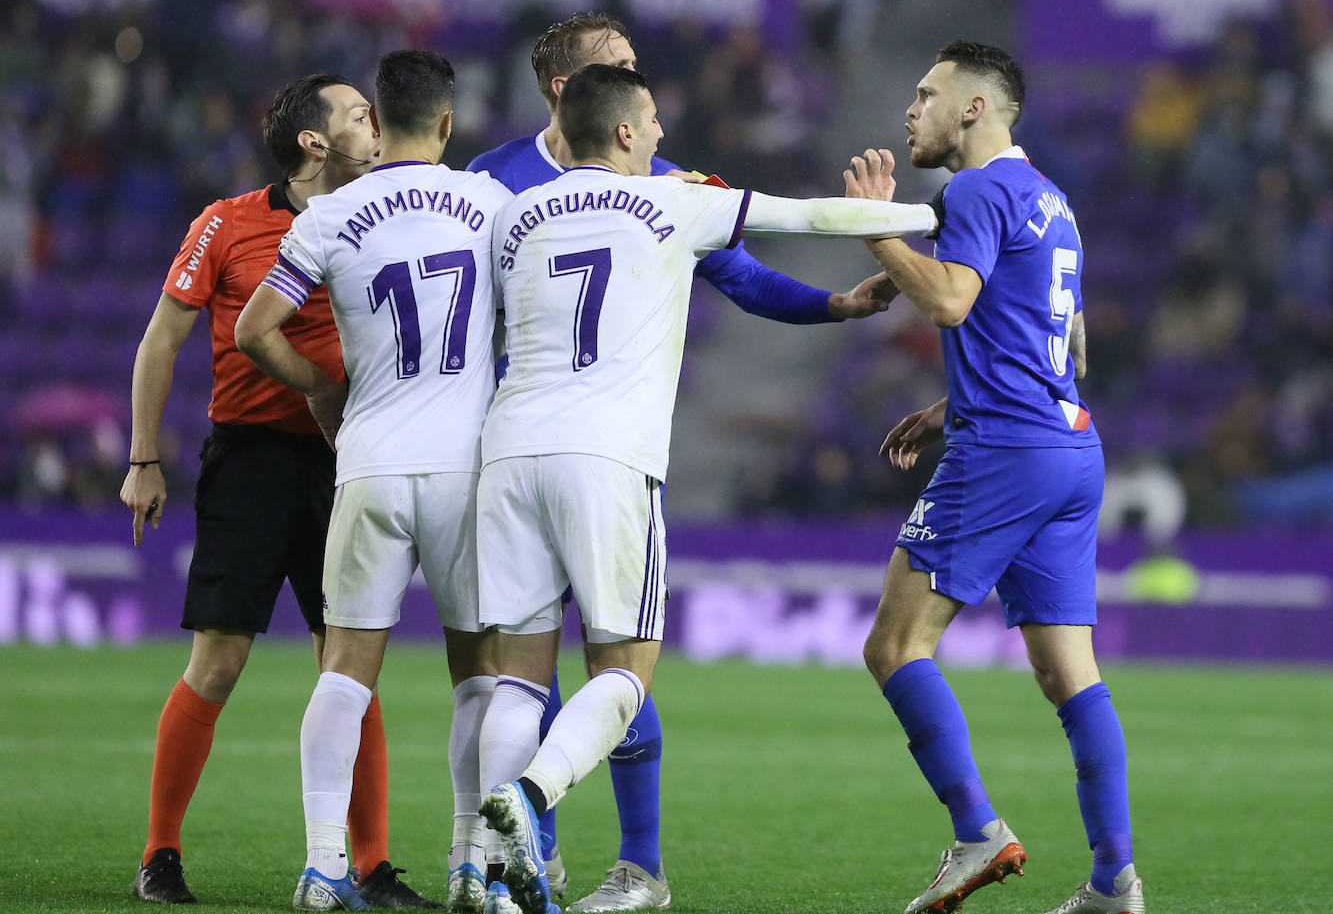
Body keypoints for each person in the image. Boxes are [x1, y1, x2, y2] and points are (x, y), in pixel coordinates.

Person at [474, 63, 938, 914]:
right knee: (626, 672)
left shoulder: (510, 214)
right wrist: (928, 213)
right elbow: (809, 216)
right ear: (622, 133)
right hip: (607, 456)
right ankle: (531, 795)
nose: (659, 136)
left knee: (516, 681)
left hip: (507, 454)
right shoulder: (670, 199)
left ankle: (489, 873)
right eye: (650, 121)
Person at [120, 74, 436, 908]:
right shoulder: (225, 224)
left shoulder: (389, 215)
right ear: (314, 142)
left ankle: (368, 865)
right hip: (252, 462)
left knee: (351, 664)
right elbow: (162, 339)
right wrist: (144, 456)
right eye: (359, 115)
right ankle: (160, 853)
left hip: (349, 462)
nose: (377, 123)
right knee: (218, 663)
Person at [845, 41, 1144, 914]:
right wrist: (952, 403)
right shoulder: (1053, 201)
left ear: (975, 109)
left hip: (1007, 452)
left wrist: (879, 228)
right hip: (1068, 448)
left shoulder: (974, 190)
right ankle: (1113, 880)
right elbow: (1066, 344)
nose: (912, 108)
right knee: (1069, 676)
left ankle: (977, 831)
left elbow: (946, 301)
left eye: (928, 92)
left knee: (895, 645)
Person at [235, 50, 512, 914]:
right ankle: (473, 863)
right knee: (479, 676)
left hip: (371, 460)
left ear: (375, 123)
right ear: (445, 124)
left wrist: (322, 386)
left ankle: (323, 867)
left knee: (346, 671)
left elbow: (254, 330)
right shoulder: (491, 205)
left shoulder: (328, 215)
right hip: (465, 468)